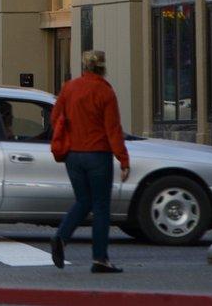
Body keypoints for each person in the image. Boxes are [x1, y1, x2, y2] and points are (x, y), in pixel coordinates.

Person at [49, 50, 129, 273]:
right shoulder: (105, 92)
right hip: (97, 154)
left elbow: (55, 118)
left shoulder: (69, 88)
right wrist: (123, 160)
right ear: (103, 68)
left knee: (83, 200)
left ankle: (61, 236)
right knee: (101, 206)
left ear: (83, 67)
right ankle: (99, 258)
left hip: (73, 155)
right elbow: (113, 129)